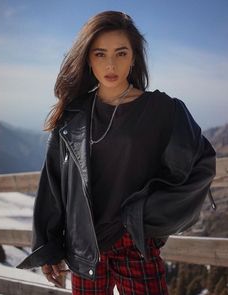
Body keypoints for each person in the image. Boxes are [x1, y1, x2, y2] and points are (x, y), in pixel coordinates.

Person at [17, 10, 216, 295]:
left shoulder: (163, 110)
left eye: (121, 53)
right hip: (84, 247)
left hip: (136, 244)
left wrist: (149, 215)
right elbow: (54, 182)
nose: (111, 64)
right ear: (88, 58)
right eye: (100, 54)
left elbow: (202, 164)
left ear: (134, 57)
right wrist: (48, 245)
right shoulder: (73, 115)